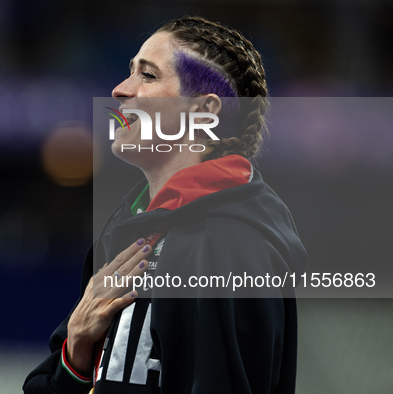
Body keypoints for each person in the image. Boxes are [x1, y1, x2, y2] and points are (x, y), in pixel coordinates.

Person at [24, 15, 307, 394]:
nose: (121, 90)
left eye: (148, 75)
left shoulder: (229, 241)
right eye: (130, 72)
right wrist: (75, 351)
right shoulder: (125, 228)